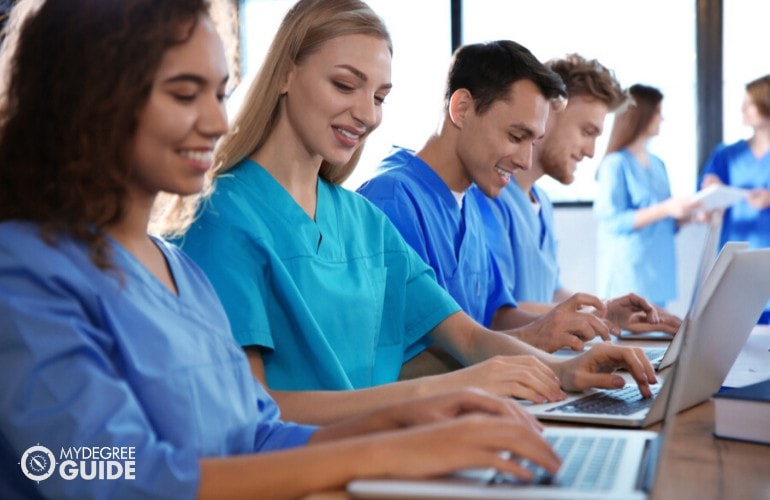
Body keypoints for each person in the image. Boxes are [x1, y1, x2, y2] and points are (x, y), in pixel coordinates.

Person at [0, 1, 566, 498]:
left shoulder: (175, 271)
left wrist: (414, 420)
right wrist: (381, 451)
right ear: (88, 95)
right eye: (184, 93)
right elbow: (96, 471)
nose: (217, 120)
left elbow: (257, 433)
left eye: (220, 93)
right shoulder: (23, 274)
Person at [160, 1, 657, 426]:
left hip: (384, 451)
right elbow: (249, 413)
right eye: (344, 85)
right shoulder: (224, 217)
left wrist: (567, 370)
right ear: (286, 71)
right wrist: (449, 389)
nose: (368, 114)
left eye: (379, 97)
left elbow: (468, 335)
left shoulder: (359, 219)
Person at [469, 54, 681, 333]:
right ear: (549, 113)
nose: (591, 151)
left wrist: (607, 309)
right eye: (587, 131)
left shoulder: (541, 202)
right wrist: (600, 317)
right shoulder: (488, 198)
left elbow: (553, 293)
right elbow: (499, 311)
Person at [594, 84, 699, 308]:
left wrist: (689, 217)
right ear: (643, 115)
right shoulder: (615, 164)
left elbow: (665, 222)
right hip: (629, 274)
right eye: (658, 112)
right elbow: (612, 220)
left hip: (658, 275)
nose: (662, 119)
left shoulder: (659, 164)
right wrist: (665, 209)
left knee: (656, 339)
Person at [701, 74, 770, 323]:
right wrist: (711, 194)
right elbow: (703, 205)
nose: (742, 109)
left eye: (749, 103)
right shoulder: (726, 155)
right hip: (738, 266)